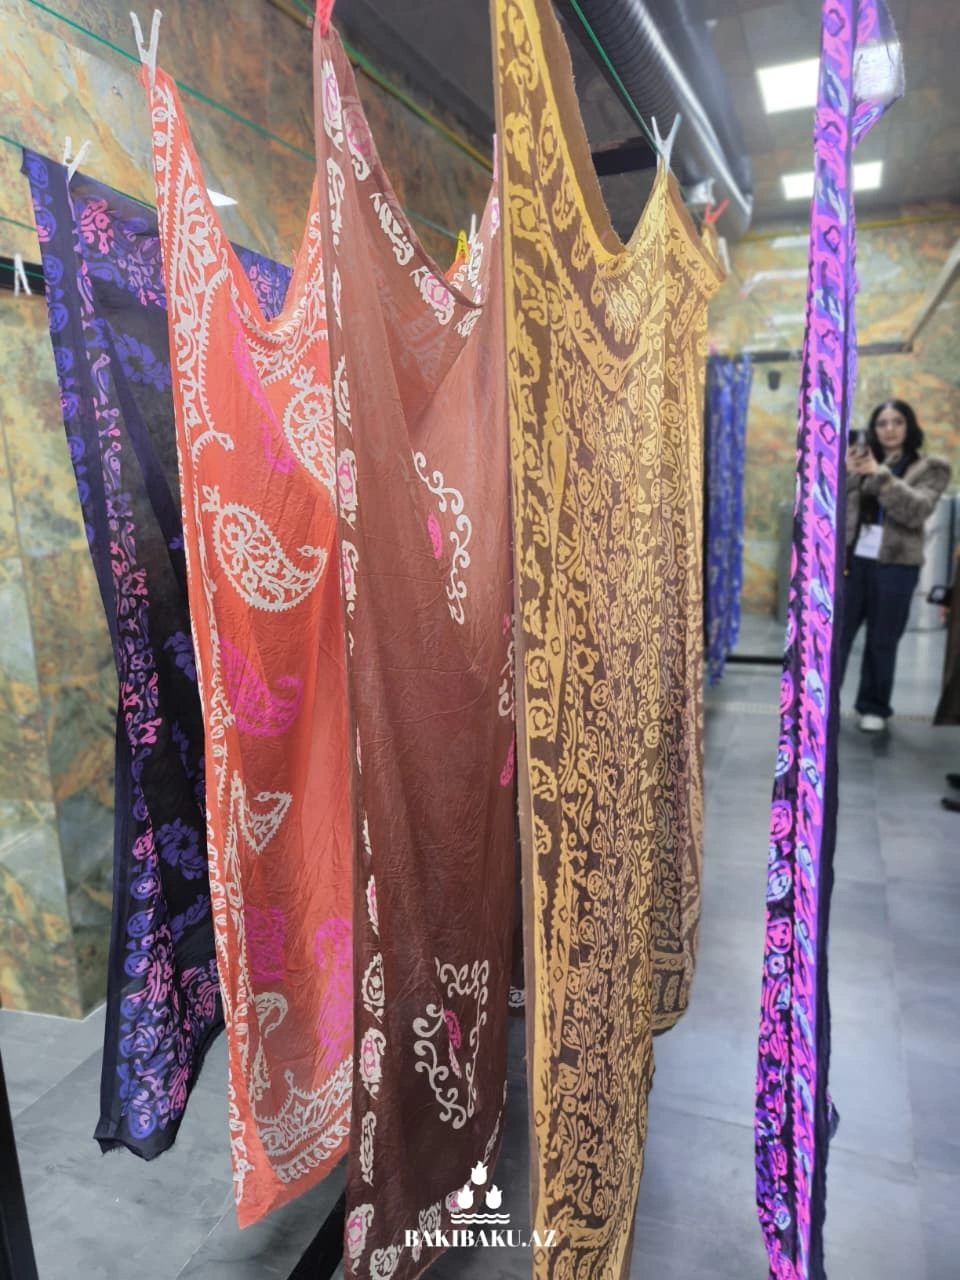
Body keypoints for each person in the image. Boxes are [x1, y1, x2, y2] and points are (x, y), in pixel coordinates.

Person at [840, 399, 951, 732]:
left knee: (883, 638)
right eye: (882, 423)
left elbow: (916, 511)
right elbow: (834, 506)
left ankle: (874, 706)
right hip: (853, 560)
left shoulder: (931, 468)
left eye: (897, 422)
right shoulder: (858, 461)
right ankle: (822, 702)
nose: (889, 429)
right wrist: (845, 473)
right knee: (837, 636)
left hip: (897, 565)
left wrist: (880, 475)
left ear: (909, 426)